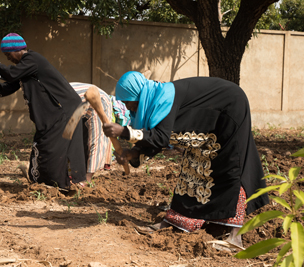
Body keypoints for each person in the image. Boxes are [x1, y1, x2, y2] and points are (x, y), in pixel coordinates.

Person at [103, 71, 269, 248]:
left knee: (230, 166)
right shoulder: (155, 102)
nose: (129, 108)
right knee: (193, 166)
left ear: (139, 95)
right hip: (209, 119)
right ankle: (178, 221)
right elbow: (158, 138)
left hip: (230, 108)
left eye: (129, 102)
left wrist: (124, 132)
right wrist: (132, 154)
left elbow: (161, 137)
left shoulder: (163, 98)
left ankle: (235, 237)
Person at [0, 33, 86, 189]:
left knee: (55, 148)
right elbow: (7, 87)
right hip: (62, 111)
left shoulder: (32, 60)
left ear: (18, 49)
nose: (8, 58)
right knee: (50, 147)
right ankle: (59, 182)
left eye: (8, 54)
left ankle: (70, 182)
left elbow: (10, 73)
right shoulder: (25, 68)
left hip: (67, 110)